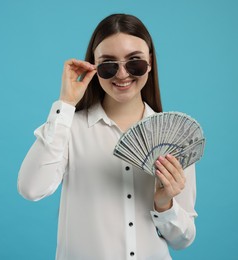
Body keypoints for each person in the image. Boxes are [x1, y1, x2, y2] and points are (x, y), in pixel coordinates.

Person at [17, 13, 197, 260]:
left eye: (135, 62)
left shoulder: (175, 137)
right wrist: (66, 103)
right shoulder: (68, 129)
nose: (122, 74)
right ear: (94, 66)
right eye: (109, 64)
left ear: (151, 62)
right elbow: (30, 188)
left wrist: (164, 203)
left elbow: (182, 240)